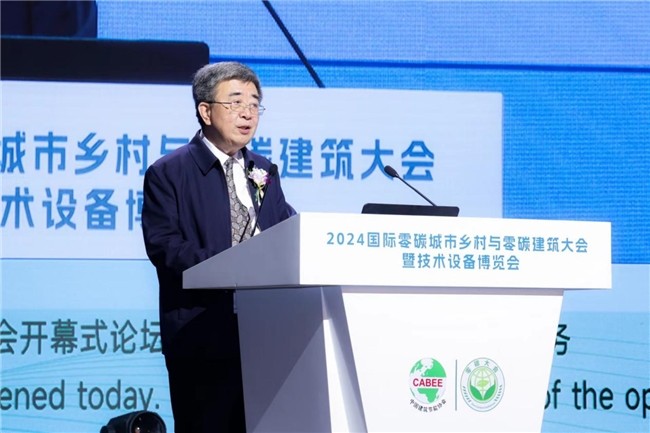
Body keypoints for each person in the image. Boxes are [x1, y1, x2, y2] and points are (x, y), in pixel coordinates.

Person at [141, 61, 296, 433]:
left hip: (266, 331)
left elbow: (287, 231)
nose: (248, 113)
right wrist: (233, 264)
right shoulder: (169, 172)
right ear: (206, 111)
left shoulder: (263, 171)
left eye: (255, 103)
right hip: (202, 335)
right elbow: (165, 247)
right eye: (236, 102)